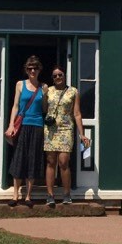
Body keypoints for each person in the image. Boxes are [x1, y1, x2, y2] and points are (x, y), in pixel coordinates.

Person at [43, 65, 91, 207]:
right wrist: (43, 95)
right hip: (50, 129)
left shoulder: (73, 91)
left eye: (60, 74)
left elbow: (76, 113)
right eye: (55, 76)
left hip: (66, 129)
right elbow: (44, 109)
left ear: (64, 75)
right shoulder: (48, 91)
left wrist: (82, 134)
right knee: (51, 161)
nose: (58, 77)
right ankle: (50, 195)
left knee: (64, 161)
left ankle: (66, 194)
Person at [5, 55, 48, 207]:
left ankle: (28, 196)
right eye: (30, 68)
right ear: (26, 69)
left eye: (35, 68)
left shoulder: (44, 87)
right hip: (22, 125)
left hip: (37, 126)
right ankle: (15, 195)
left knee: (33, 159)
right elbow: (15, 106)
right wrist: (11, 125)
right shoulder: (20, 85)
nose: (32, 71)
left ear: (39, 70)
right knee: (19, 158)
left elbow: (44, 109)